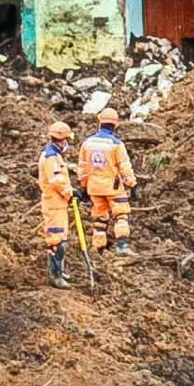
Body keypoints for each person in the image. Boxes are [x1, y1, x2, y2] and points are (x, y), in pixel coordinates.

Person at [78, 108, 137, 256]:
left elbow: (83, 167)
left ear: (100, 122)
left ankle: (98, 248)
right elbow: (124, 166)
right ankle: (122, 246)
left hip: (94, 187)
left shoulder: (87, 143)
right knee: (121, 214)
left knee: (100, 217)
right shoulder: (116, 144)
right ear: (115, 124)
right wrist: (131, 183)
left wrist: (84, 186)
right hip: (113, 187)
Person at [38, 121, 81, 287]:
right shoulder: (51, 157)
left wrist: (70, 191)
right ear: (61, 139)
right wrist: (70, 193)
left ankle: (60, 270)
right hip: (54, 204)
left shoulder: (55, 155)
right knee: (57, 242)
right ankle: (55, 275)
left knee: (62, 238)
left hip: (59, 203)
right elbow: (57, 181)